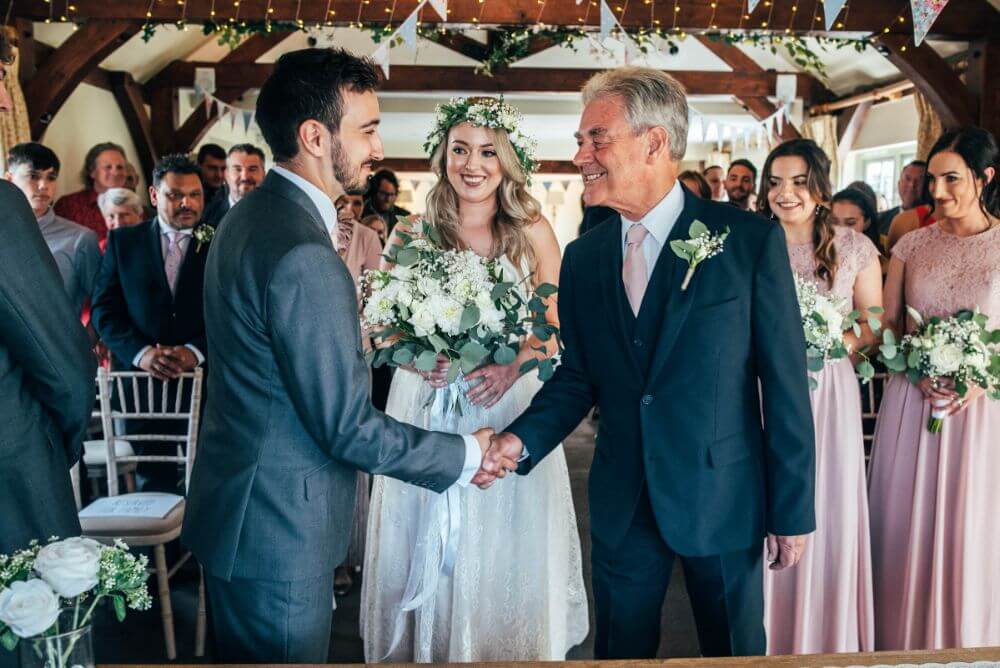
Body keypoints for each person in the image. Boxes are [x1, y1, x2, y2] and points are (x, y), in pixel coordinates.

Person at [180, 48, 506, 664]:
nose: (377, 148)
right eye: (367, 129)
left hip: (244, 513)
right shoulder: (304, 250)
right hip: (278, 532)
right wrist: (467, 453)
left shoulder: (249, 217)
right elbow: (345, 426)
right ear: (314, 136)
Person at [488, 66, 816, 659]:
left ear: (654, 142)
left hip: (723, 493)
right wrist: (520, 441)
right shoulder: (585, 259)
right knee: (621, 652)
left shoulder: (745, 240)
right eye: (580, 140)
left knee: (733, 650)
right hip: (622, 495)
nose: (580, 155)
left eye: (596, 138)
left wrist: (791, 508)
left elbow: (786, 384)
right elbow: (580, 375)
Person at [362, 97, 588, 663]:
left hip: (505, 407)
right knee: (427, 538)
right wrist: (417, 359)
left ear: (506, 159)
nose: (473, 164)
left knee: (506, 546)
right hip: (427, 404)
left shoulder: (532, 230)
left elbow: (555, 328)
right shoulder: (411, 232)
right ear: (442, 155)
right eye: (460, 149)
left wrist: (514, 364)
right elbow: (379, 328)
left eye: (488, 151)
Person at [868, 126, 1000, 651]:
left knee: (972, 529)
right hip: (911, 400)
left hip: (981, 413)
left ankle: (972, 640)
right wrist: (915, 363)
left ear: (984, 178)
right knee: (906, 525)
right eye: (933, 180)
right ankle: (900, 640)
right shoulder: (910, 244)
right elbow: (887, 326)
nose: (938, 192)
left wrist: (983, 376)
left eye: (952, 179)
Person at [759, 139, 880, 655]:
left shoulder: (852, 247)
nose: (785, 193)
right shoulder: (749, 241)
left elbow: (873, 323)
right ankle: (763, 631)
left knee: (826, 499)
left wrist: (829, 343)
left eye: (798, 181)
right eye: (776, 182)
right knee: (766, 498)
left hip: (827, 389)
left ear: (821, 187)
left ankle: (826, 635)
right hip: (762, 389)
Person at [0, 29, 96, 559]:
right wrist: (52, 444)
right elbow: (65, 367)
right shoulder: (3, 208)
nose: (6, 101)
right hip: (13, 479)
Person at [90, 154, 209, 492]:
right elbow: (104, 310)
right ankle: (157, 547)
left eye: (195, 194)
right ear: (155, 196)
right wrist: (142, 353)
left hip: (204, 385)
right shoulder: (123, 243)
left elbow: (233, 313)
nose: (186, 203)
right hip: (141, 386)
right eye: (174, 195)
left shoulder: (221, 243)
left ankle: (197, 547)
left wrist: (194, 351)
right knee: (151, 482)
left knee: (205, 485)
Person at [331, 191, 383, 598]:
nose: (347, 210)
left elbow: (376, 302)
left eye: (354, 202)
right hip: (309, 353)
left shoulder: (367, 238)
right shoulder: (311, 229)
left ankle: (348, 554)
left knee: (352, 455)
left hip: (354, 354)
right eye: (340, 201)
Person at [5, 142, 100, 318]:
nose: (43, 185)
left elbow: (103, 301)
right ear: (9, 180)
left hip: (59, 342)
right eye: (33, 176)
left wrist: (87, 340)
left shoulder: (80, 239)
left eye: (51, 177)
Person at [54, 141, 128, 244]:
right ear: (92, 171)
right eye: (108, 167)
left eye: (120, 167)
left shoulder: (137, 207)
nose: (115, 172)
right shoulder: (68, 205)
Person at [203, 143, 267, 227]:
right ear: (226, 174)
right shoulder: (206, 213)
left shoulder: (278, 214)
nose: (245, 177)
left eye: (252, 169)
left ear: (264, 174)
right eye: (238, 169)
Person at [876, 159, 927, 237]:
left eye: (919, 181)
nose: (912, 185)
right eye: (907, 179)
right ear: (899, 184)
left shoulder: (936, 223)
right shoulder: (880, 219)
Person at [831, 186, 882, 252]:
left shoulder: (871, 255)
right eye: (834, 222)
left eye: (850, 223)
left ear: (866, 223)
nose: (841, 229)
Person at [363, 168, 410, 233]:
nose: (388, 199)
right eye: (384, 194)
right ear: (374, 191)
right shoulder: (361, 213)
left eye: (391, 194)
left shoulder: (404, 216)